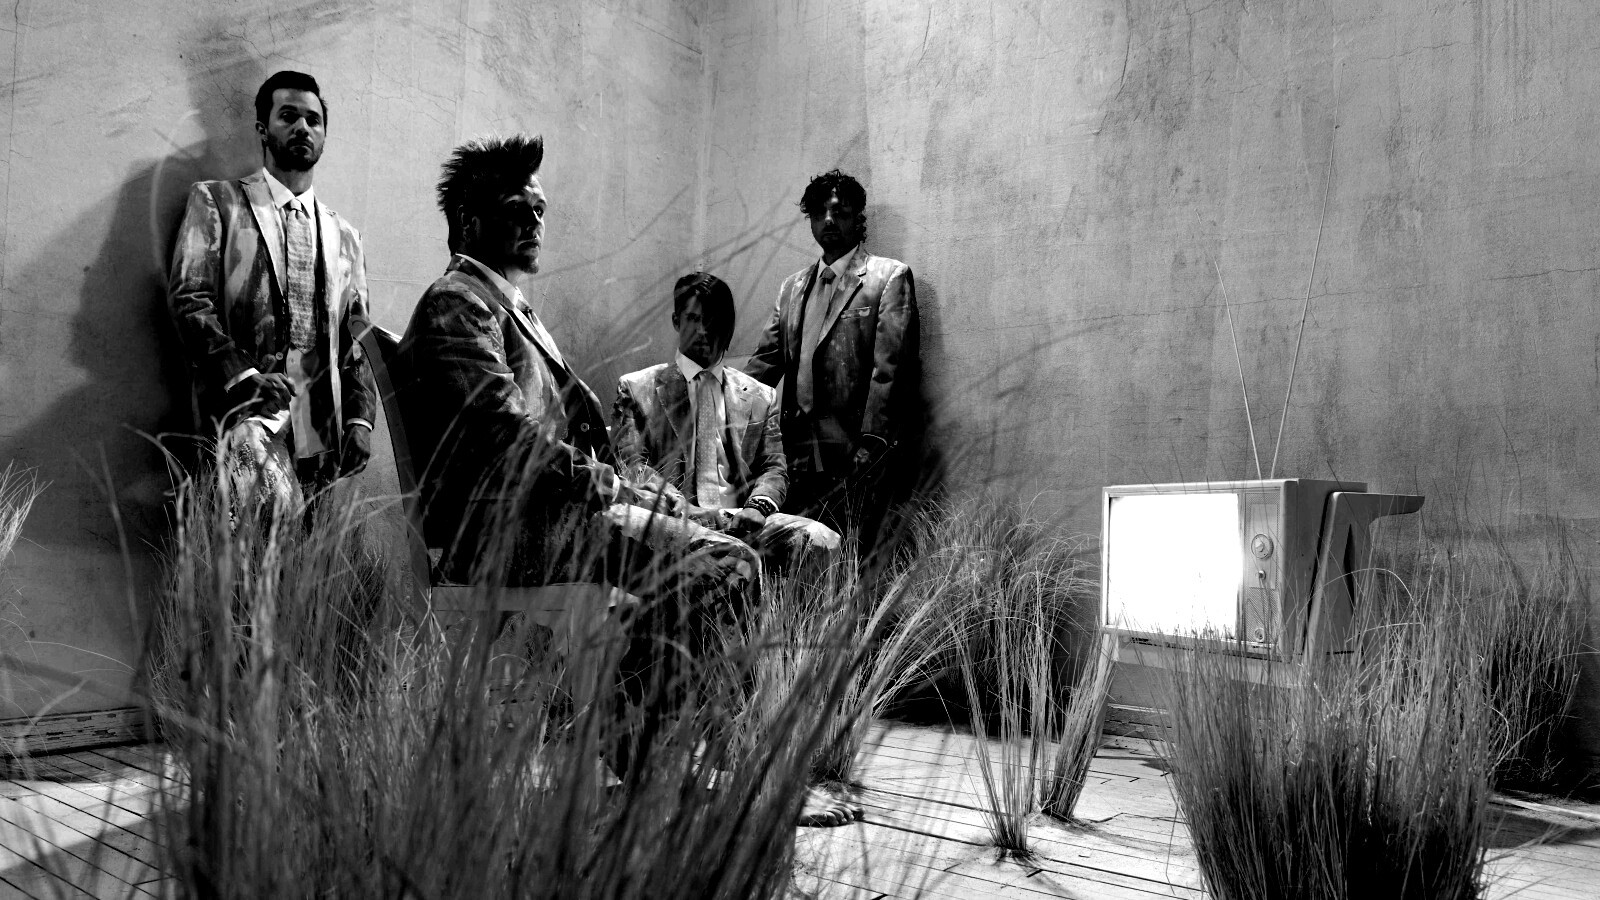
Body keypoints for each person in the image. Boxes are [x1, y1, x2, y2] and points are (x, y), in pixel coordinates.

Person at [168, 70, 375, 511]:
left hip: (320, 429)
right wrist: (243, 377)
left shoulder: (347, 237)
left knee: (309, 550)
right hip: (242, 415)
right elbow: (190, 300)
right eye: (288, 116)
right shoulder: (218, 201)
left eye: (313, 120)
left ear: (324, 136)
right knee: (257, 537)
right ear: (263, 129)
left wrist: (360, 419)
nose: (302, 127)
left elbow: (357, 341)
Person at [612, 272, 840, 571]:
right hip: (675, 520)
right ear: (676, 321)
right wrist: (680, 505)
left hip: (742, 519)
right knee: (732, 558)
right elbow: (632, 466)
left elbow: (773, 467)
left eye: (713, 319)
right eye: (694, 318)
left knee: (822, 539)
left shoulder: (760, 396)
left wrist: (758, 507)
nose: (704, 330)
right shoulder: (637, 388)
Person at [745, 169, 920, 552]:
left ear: (858, 218)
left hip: (857, 456)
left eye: (839, 212)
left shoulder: (887, 277)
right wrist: (729, 419)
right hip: (795, 457)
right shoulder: (792, 288)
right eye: (819, 212)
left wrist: (871, 448)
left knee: (854, 562)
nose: (828, 220)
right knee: (800, 564)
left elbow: (890, 374)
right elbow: (762, 368)